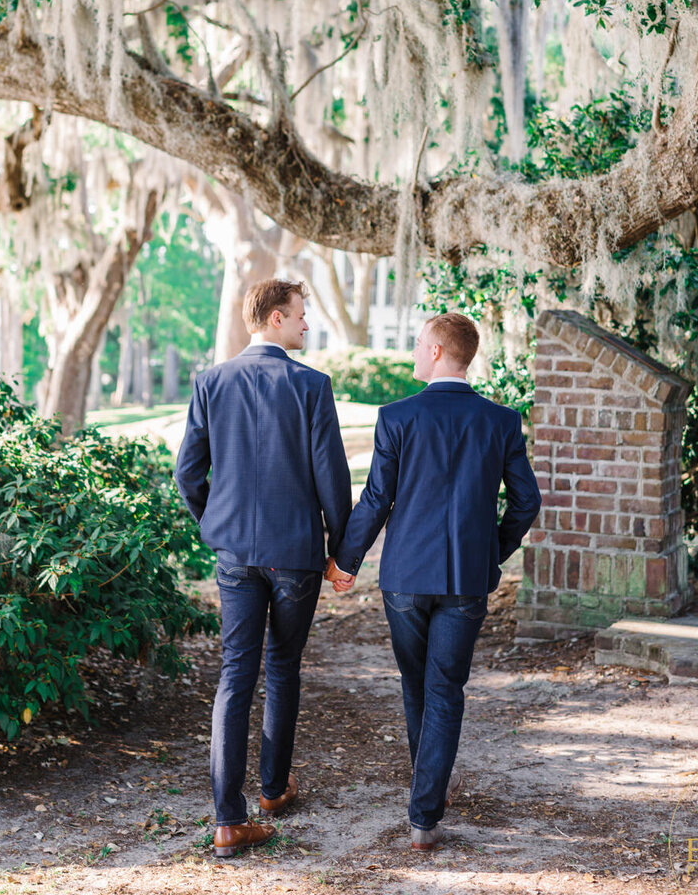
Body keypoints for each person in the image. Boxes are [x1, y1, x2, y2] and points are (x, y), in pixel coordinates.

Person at [327, 311, 542, 851]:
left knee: (417, 683)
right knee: (445, 689)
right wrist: (491, 553)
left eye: (421, 343)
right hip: (466, 579)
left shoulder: (397, 417)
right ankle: (425, 812)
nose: (416, 352)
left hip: (404, 577)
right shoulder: (499, 421)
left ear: (441, 352)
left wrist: (346, 562)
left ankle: (428, 797)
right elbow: (527, 503)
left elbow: (377, 498)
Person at [175, 277, 351, 859]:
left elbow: (187, 474)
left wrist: (216, 524)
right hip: (296, 553)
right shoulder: (310, 386)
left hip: (235, 556)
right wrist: (339, 551)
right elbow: (332, 478)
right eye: (301, 315)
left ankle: (228, 820)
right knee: (283, 667)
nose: (307, 325)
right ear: (275, 318)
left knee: (235, 674)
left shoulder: (211, 381)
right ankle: (273, 790)